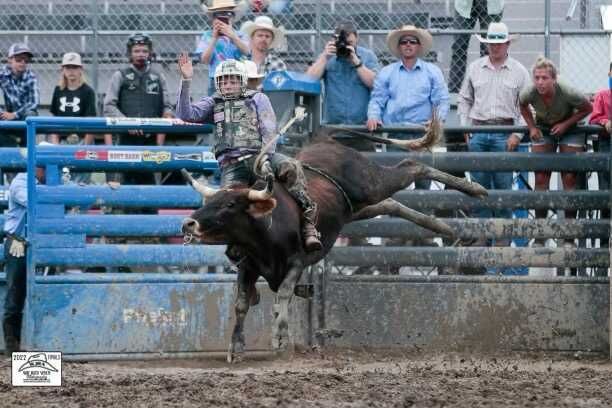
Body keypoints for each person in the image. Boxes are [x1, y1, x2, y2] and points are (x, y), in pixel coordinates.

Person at [176, 56, 322, 251]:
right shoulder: (213, 102)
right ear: (218, 83)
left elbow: (269, 128)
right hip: (232, 165)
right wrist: (186, 81)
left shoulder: (258, 98)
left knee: (291, 167)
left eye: (233, 80)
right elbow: (186, 115)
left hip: (259, 156)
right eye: (224, 80)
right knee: (225, 205)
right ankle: (236, 246)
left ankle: (308, 225)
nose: (228, 84)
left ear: (242, 81)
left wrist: (266, 157)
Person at [458, 22, 529, 262]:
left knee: (502, 186)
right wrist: (466, 127)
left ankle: (501, 236)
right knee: (478, 187)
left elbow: (526, 106)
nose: (495, 47)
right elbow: (464, 99)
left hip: (505, 131)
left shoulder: (519, 71)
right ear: (486, 44)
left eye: (499, 43)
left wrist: (516, 134)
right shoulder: (475, 68)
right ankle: (481, 234)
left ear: (507, 44)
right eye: (491, 43)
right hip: (478, 130)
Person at [519, 57, 592, 248]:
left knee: (569, 177)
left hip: (572, 125)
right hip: (544, 125)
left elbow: (587, 108)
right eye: (537, 78)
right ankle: (541, 234)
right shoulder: (529, 91)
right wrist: (532, 127)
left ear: (554, 79)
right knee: (541, 176)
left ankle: (568, 236)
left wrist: (566, 124)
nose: (540, 82)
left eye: (544, 78)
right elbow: (522, 106)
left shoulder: (568, 90)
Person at [103, 33, 173, 186]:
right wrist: (128, 123)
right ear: (130, 53)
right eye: (136, 51)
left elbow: (167, 107)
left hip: (151, 141)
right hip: (125, 140)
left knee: (150, 186)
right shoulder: (119, 76)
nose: (141, 55)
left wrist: (163, 126)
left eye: (144, 51)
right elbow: (108, 106)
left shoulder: (158, 76)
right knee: (124, 184)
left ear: (149, 53)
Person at [2, 142, 49, 355]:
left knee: (41, 291)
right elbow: (34, 201)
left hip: (41, 243)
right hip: (18, 242)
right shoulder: (21, 181)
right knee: (15, 293)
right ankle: (13, 347)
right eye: (46, 167)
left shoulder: (46, 183)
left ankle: (38, 343)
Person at [307, 21, 379, 130]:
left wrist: (357, 62)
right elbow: (308, 81)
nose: (346, 46)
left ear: (357, 37)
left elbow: (376, 84)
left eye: (349, 43)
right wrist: (324, 57)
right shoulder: (328, 57)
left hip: (362, 127)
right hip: (333, 127)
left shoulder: (368, 56)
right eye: (343, 43)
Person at [196, 0, 250, 95]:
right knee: (215, 108)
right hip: (216, 79)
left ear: (233, 17)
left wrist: (232, 36)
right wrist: (214, 39)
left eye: (228, 14)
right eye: (218, 14)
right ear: (213, 18)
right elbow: (204, 60)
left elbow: (247, 51)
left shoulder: (240, 35)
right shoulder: (207, 36)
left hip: (237, 79)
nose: (224, 17)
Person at [449, 0, 504, 93]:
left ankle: (486, 90)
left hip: (492, 4)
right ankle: (453, 91)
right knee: (459, 47)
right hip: (464, 4)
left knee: (490, 49)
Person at [588, 62, 611, 267]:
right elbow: (594, 118)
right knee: (606, 194)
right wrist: (605, 122)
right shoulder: (603, 95)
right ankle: (604, 245)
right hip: (607, 146)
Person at [49, 52, 97, 146]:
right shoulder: (58, 90)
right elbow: (54, 120)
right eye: (68, 67)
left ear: (81, 69)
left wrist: (85, 147)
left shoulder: (88, 91)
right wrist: (55, 145)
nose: (71, 71)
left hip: (82, 140)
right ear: (62, 69)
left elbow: (91, 122)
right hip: (62, 141)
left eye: (74, 67)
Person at [0, 43, 39, 147]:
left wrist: (14, 114)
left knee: (31, 115)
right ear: (10, 60)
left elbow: (33, 103)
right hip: (7, 114)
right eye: (18, 59)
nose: (22, 63)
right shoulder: (2, 74)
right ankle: (10, 151)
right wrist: (2, 113)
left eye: (26, 60)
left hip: (23, 115)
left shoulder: (31, 76)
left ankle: (26, 154)